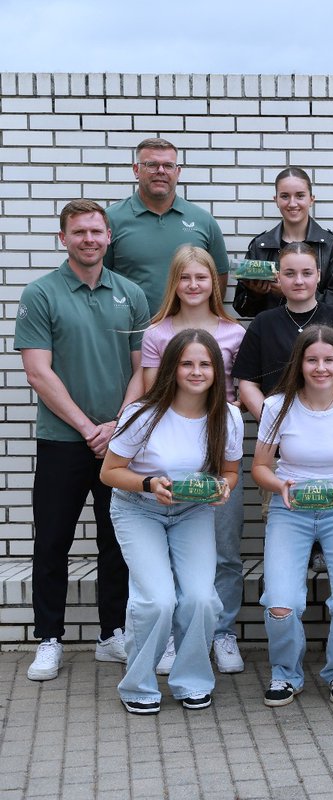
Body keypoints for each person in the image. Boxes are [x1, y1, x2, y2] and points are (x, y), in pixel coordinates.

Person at [17, 199, 150, 682]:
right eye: (79, 232)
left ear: (108, 237)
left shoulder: (131, 293)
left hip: (120, 442)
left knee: (117, 543)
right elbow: (37, 371)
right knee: (52, 541)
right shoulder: (41, 293)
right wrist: (86, 427)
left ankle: (111, 634)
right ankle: (48, 639)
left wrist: (117, 424)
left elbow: (144, 370)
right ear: (63, 238)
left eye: (96, 231)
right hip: (62, 441)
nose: (89, 239)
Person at [100, 329, 242, 714]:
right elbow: (109, 472)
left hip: (192, 510)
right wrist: (149, 483)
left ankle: (192, 680)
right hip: (137, 507)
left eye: (205, 364)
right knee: (158, 600)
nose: (196, 372)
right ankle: (138, 686)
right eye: (187, 364)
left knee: (201, 598)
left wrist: (222, 489)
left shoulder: (226, 415)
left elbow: (230, 471)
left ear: (217, 370)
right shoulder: (143, 413)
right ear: (172, 368)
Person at [252, 325, 333, 707]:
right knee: (280, 601)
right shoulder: (277, 406)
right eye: (312, 360)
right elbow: (260, 467)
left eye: (329, 360)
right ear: (300, 363)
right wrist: (280, 487)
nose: (320, 368)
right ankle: (285, 674)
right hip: (291, 510)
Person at [141, 247, 247, 675]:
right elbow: (152, 399)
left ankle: (221, 632)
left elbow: (239, 395)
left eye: (201, 277)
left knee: (224, 550)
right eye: (185, 278)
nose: (194, 285)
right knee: (167, 555)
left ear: (214, 283)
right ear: (175, 284)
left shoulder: (234, 334)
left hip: (216, 455)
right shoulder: (157, 333)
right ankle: (170, 637)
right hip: (167, 457)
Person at [232, 242, 333, 422]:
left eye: (307, 273)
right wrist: (272, 424)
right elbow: (248, 384)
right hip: (279, 433)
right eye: (290, 273)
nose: (299, 281)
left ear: (318, 275)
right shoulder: (262, 323)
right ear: (278, 277)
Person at [104, 137, 229, 311]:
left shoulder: (203, 220)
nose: (160, 171)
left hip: (188, 333)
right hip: (129, 331)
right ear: (136, 170)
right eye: (151, 165)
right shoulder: (110, 220)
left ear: (177, 172)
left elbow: (219, 277)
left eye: (168, 166)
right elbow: (98, 276)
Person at [234, 167, 333, 318]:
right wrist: (256, 293)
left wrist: (289, 290)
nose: (292, 203)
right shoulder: (260, 246)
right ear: (276, 200)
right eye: (285, 196)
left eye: (300, 196)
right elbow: (242, 308)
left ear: (311, 199)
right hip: (274, 334)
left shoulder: (331, 245)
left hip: (319, 335)